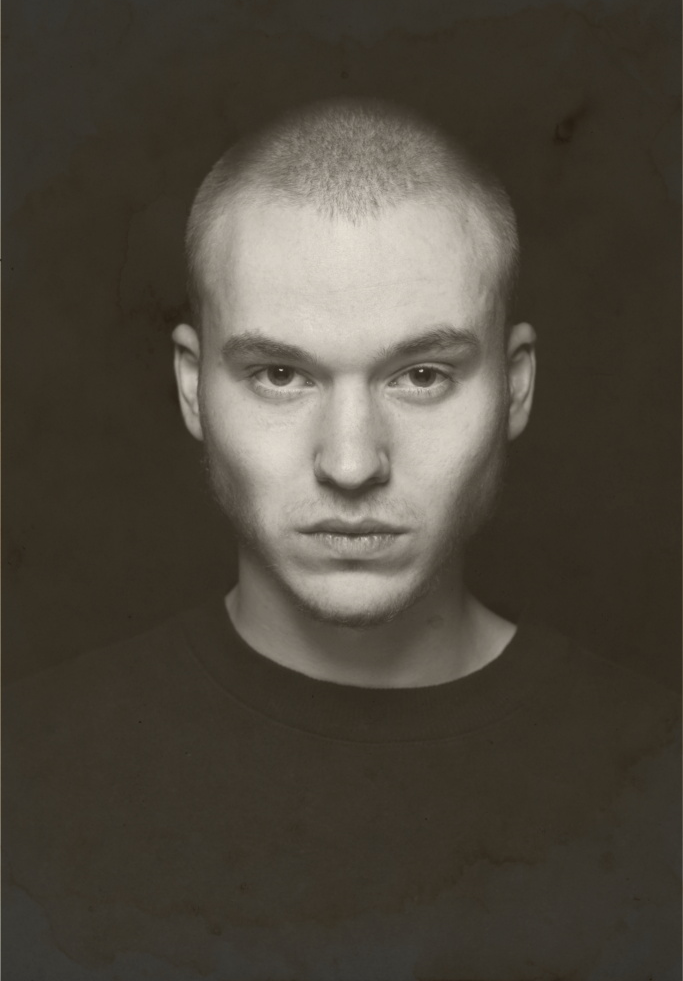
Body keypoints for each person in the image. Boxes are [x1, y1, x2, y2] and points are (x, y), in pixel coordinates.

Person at [4, 97, 680, 981]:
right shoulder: (22, 779)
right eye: (279, 375)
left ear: (514, 388)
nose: (352, 464)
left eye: (422, 375)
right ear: (192, 388)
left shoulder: (659, 787)